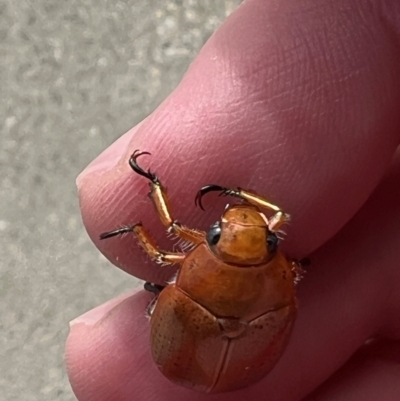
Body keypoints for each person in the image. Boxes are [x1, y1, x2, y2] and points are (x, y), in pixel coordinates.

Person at [66, 0, 400, 399]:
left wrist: (149, 205)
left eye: (216, 235)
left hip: (199, 360)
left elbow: (164, 242)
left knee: (167, 239)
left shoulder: (240, 275)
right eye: (269, 239)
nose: (245, 224)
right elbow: (278, 224)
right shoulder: (280, 277)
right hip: (228, 361)